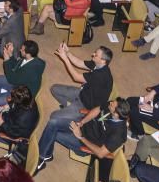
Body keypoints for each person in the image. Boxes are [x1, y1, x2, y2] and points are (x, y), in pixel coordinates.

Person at [35, 44, 114, 173]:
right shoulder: (98, 64)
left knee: (54, 116)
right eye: (95, 52)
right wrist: (68, 52)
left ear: (103, 61)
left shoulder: (101, 75)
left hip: (86, 106)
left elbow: (76, 77)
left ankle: (74, 113)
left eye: (96, 55)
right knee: (54, 89)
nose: (93, 54)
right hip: (82, 93)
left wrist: (64, 59)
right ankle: (69, 110)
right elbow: (80, 63)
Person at [39, 98, 130, 182]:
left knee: (53, 134)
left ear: (116, 114)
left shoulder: (119, 135)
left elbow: (100, 153)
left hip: (84, 143)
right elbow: (97, 109)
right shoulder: (111, 106)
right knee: (53, 123)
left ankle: (40, 159)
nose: (110, 103)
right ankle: (46, 155)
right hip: (81, 127)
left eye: (112, 105)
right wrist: (82, 122)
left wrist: (80, 136)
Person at [0, 40, 46, 106]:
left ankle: (9, 104)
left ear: (27, 53)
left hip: (20, 96)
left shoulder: (29, 71)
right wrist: (10, 55)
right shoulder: (32, 59)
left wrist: (6, 60)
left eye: (22, 49)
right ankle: (3, 95)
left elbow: (11, 79)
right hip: (19, 84)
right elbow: (17, 66)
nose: (20, 50)